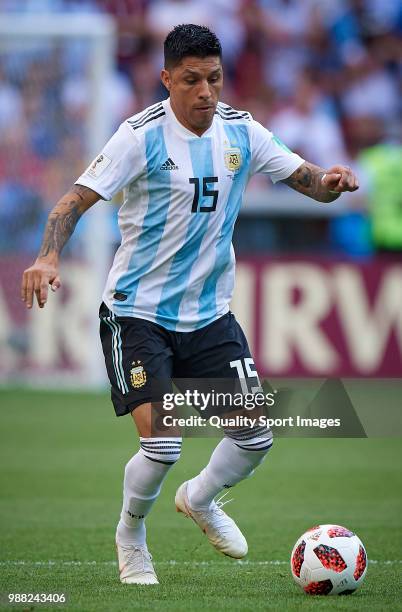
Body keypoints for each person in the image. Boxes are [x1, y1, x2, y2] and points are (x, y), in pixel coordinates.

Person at [21, 24, 359, 585]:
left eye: (215, 79)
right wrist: (48, 257)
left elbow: (309, 181)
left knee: (256, 435)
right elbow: (73, 200)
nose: (207, 91)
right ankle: (131, 535)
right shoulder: (139, 137)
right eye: (192, 80)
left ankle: (201, 499)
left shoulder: (241, 132)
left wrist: (332, 180)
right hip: (137, 312)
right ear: (166, 80)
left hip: (208, 315)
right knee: (164, 439)